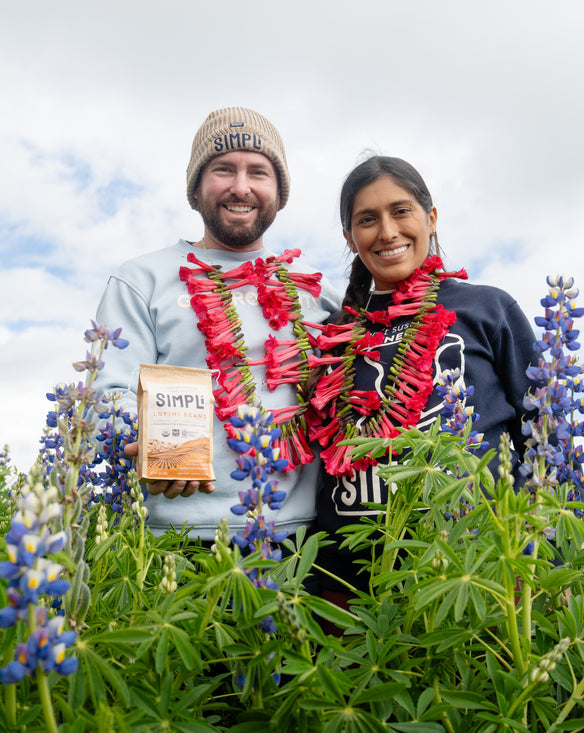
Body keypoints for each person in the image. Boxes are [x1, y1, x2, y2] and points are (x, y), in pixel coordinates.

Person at [91, 107, 340, 543]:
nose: (240, 187)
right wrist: (146, 442)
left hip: (302, 542)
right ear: (196, 188)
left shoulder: (318, 293)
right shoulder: (141, 279)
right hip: (175, 537)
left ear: (279, 192)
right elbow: (104, 398)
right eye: (223, 169)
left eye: (259, 173)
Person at [308, 155, 538, 601]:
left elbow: (547, 438)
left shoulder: (487, 308)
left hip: (477, 569)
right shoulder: (333, 333)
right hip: (349, 581)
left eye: (401, 211)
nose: (387, 232)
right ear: (349, 238)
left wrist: (548, 549)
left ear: (430, 218)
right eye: (367, 219)